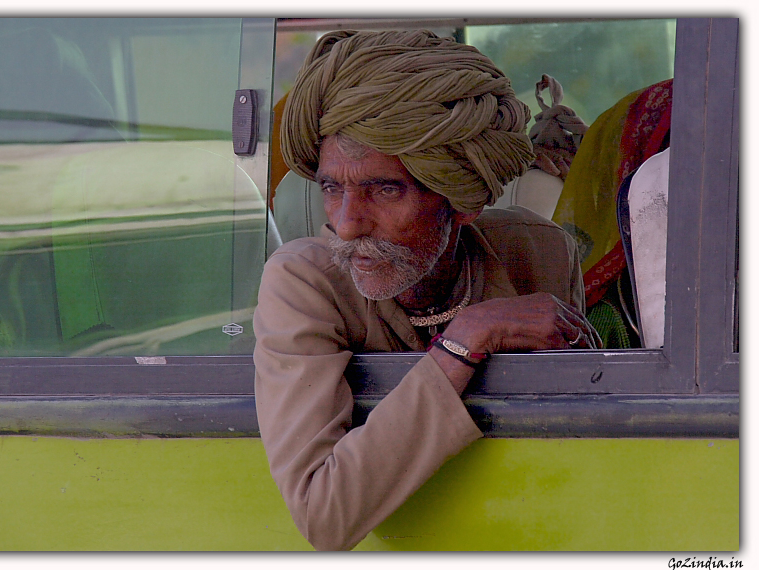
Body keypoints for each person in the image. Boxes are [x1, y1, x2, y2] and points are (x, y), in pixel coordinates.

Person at [253, 29, 600, 551]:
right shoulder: (302, 282)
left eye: (385, 190)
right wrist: (465, 341)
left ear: (461, 200)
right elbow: (323, 513)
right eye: (331, 188)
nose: (347, 226)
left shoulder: (539, 253)